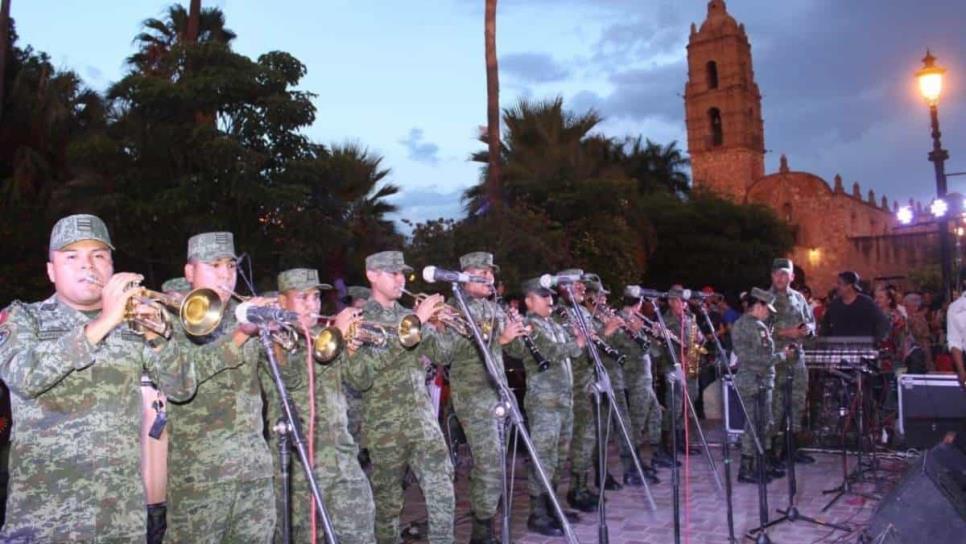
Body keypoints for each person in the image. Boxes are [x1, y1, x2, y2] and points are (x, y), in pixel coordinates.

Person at [0, 214, 196, 542]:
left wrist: (159, 339)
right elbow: (23, 376)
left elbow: (182, 389)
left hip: (120, 519)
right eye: (72, 256)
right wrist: (104, 322)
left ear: (112, 266)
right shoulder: (24, 317)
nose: (87, 265)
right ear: (51, 270)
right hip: (44, 521)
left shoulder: (133, 323)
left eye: (99, 255)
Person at [166, 232, 276, 543]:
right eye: (214, 265)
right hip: (201, 478)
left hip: (253, 471)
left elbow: (282, 383)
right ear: (190, 273)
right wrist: (242, 335)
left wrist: (281, 337)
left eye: (230, 265)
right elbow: (180, 383)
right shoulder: (173, 317)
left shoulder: (241, 315)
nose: (225, 274)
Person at [343, 251, 455, 544]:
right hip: (385, 427)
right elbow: (358, 377)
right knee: (388, 505)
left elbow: (444, 354)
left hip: (422, 421)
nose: (400, 279)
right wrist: (416, 321)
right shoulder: (359, 319)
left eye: (402, 273)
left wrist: (436, 324)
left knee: (443, 490)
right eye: (392, 273)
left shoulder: (408, 316)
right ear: (371, 275)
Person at [261, 268, 375, 543]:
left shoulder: (325, 335)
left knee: (361, 529)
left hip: (342, 455)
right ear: (282, 302)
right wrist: (336, 334)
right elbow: (297, 380)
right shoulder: (273, 340)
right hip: (302, 464)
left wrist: (352, 347)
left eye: (316, 297)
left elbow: (362, 380)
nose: (312, 305)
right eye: (303, 298)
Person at [437, 252, 525, 543]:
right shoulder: (454, 308)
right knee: (489, 460)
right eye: (482, 272)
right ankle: (482, 530)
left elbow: (511, 350)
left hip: (496, 391)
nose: (489, 277)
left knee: (497, 459)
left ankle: (485, 519)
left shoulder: (492, 307)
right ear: (465, 276)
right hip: (473, 394)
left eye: (490, 272)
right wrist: (503, 339)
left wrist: (521, 332)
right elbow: (451, 352)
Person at [506, 278, 585, 536]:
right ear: (529, 300)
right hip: (544, 403)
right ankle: (537, 513)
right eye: (543, 296)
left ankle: (553, 507)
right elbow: (552, 351)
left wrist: (575, 340)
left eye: (550, 296)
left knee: (559, 457)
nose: (550, 300)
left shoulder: (552, 324)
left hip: (564, 400)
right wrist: (578, 344)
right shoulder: (530, 326)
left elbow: (565, 346)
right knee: (543, 458)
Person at [552, 269, 620, 512]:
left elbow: (595, 346)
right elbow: (571, 352)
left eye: (582, 285)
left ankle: (580, 487)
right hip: (570, 386)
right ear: (562, 288)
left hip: (589, 383)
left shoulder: (581, 311)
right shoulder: (557, 314)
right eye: (576, 285)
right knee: (569, 442)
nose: (582, 289)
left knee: (587, 438)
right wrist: (605, 332)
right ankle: (561, 495)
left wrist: (606, 335)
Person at [733, 288, 794, 483]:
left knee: (762, 424)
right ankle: (747, 469)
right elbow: (756, 358)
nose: (768, 312)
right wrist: (782, 356)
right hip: (754, 381)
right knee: (754, 426)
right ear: (758, 306)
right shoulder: (751, 326)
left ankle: (761, 464)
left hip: (757, 381)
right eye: (767, 308)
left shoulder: (750, 324)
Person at [582, 273, 635, 489]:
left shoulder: (603, 316)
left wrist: (630, 330)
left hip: (615, 378)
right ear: (589, 297)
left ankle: (630, 469)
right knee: (600, 431)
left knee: (622, 427)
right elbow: (586, 350)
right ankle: (601, 475)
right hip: (596, 381)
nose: (603, 300)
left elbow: (622, 347)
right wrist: (607, 330)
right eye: (599, 296)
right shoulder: (583, 318)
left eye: (604, 296)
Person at [612, 287, 666, 482]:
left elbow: (653, 351)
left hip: (644, 379)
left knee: (654, 415)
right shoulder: (621, 320)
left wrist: (655, 335)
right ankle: (630, 467)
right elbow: (630, 350)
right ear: (639, 303)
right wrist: (639, 334)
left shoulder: (635, 319)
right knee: (635, 424)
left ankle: (648, 457)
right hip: (633, 379)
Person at [767, 258, 815, 466]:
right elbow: (757, 328)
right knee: (775, 407)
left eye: (784, 274)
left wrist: (808, 330)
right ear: (771, 276)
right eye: (777, 273)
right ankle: (770, 453)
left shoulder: (798, 298)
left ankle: (791, 448)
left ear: (792, 277)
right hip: (776, 360)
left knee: (797, 402)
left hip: (797, 358)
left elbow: (810, 321)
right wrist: (788, 332)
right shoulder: (764, 299)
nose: (780, 277)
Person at [820, 271, 890, 341]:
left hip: (862, 347)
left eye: (840, 283)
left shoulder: (866, 303)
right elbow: (825, 325)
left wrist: (874, 341)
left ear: (849, 286)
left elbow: (882, 322)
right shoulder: (834, 305)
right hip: (839, 347)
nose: (837, 286)